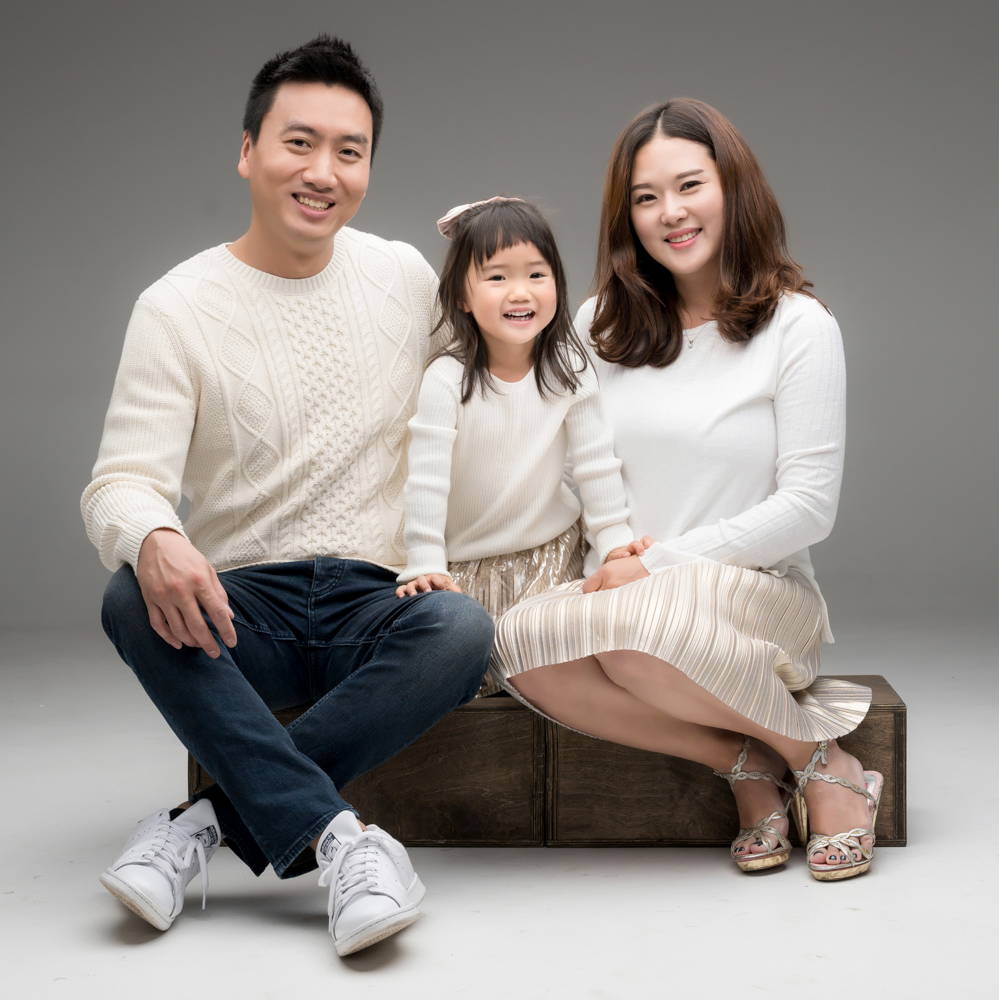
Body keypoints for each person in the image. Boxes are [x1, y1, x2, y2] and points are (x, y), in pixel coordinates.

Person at [80, 36, 492, 955]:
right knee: (125, 594)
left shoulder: (401, 279)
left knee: (462, 631)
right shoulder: (178, 305)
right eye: (298, 143)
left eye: (350, 152)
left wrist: (495, 243)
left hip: (375, 604)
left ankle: (197, 830)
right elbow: (119, 481)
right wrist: (151, 533)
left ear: (370, 168)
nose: (324, 172)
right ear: (247, 151)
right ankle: (344, 843)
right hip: (242, 611)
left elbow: (501, 380)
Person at [494, 98, 882, 881]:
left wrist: (661, 561)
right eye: (645, 197)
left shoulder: (798, 327)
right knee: (517, 643)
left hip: (760, 595)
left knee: (632, 637)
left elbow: (809, 507)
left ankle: (827, 760)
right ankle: (743, 762)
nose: (669, 213)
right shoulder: (602, 323)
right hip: (629, 588)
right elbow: (569, 470)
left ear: (734, 188)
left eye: (689, 185)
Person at [395, 197, 641, 693]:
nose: (519, 292)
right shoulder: (448, 378)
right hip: (469, 567)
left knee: (573, 659)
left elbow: (594, 463)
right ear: (462, 296)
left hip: (551, 557)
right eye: (497, 277)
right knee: (468, 675)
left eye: (536, 274)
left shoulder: (570, 370)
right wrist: (424, 559)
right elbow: (426, 478)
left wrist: (614, 538)